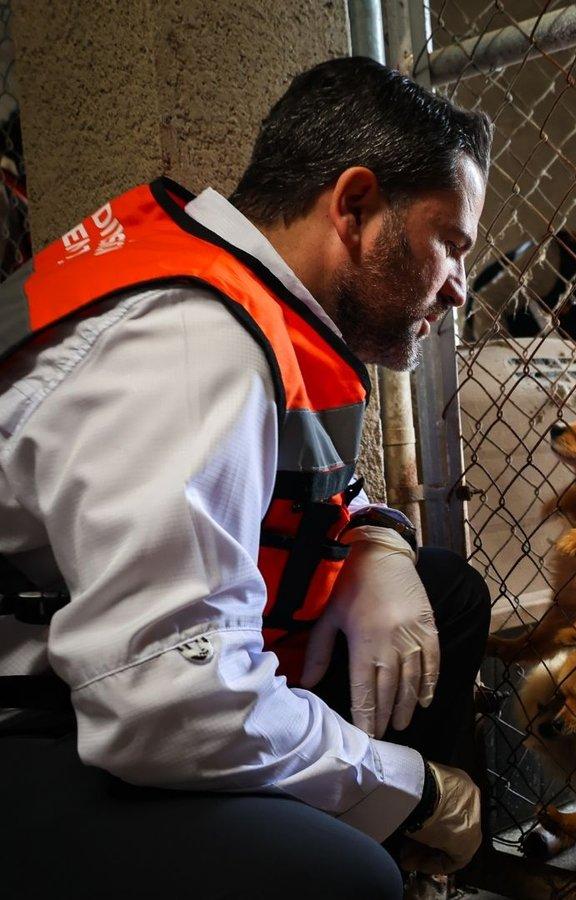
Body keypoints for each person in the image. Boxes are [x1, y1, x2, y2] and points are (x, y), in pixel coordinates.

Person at [0, 57, 493, 898]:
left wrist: (380, 539)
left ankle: (399, 854)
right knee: (343, 878)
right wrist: (409, 790)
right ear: (356, 206)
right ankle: (395, 855)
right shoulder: (196, 344)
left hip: (94, 673)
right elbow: (168, 705)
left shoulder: (248, 293)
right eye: (448, 243)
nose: (458, 288)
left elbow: (300, 493)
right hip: (41, 721)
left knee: (443, 593)